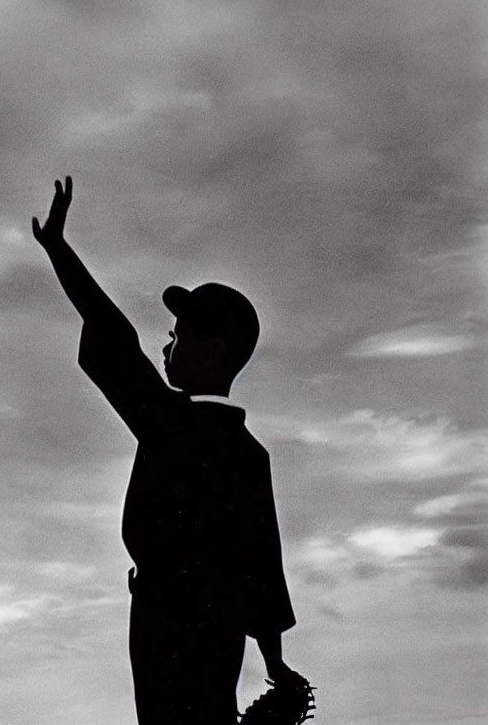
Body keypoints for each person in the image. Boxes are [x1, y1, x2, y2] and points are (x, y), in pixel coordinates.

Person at [33, 176, 301, 724]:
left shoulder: (169, 423)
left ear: (212, 351)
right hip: (218, 631)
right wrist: (275, 664)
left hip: (165, 621)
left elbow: (111, 332)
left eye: (178, 337)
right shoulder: (249, 455)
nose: (166, 344)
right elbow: (262, 571)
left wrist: (60, 252)